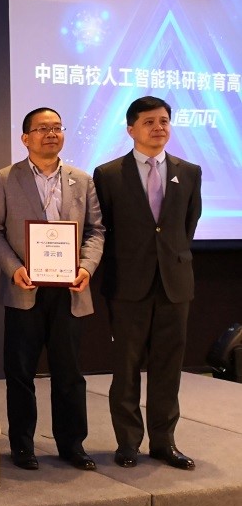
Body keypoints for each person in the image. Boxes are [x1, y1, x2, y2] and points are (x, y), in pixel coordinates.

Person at [0, 108, 104, 471]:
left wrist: (86, 267)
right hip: (25, 288)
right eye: (42, 129)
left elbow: (95, 231)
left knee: (69, 373)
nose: (51, 134)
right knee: (20, 372)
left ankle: (72, 444)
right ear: (26, 138)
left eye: (57, 127)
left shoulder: (81, 179)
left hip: (70, 290)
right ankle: (23, 445)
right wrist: (14, 269)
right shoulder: (5, 178)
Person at [94, 96, 202, 471]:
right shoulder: (108, 174)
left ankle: (163, 442)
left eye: (164, 121)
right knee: (126, 367)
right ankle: (128, 442)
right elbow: (103, 229)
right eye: (149, 122)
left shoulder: (189, 171)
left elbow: (187, 225)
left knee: (168, 366)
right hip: (128, 284)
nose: (159, 128)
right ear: (131, 129)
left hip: (174, 283)